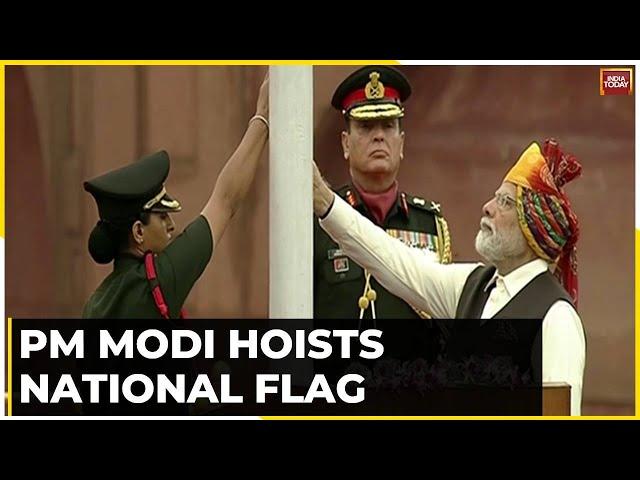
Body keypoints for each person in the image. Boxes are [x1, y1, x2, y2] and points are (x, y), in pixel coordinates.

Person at [313, 138, 586, 415]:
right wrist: (326, 203)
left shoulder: (556, 318)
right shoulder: (473, 286)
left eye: (505, 202)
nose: (488, 207)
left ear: (534, 227)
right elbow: (393, 259)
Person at [82, 74, 269, 320]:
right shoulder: (156, 282)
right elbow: (225, 201)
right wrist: (262, 119)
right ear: (138, 231)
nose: (171, 225)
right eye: (161, 217)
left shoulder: (95, 304)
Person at [314, 65, 452, 364]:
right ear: (345, 144)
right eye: (365, 127)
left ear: (401, 143)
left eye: (388, 126)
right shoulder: (318, 221)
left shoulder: (428, 223)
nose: (379, 137)